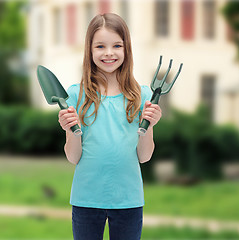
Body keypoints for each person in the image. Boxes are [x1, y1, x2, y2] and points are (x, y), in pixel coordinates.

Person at [58, 13, 162, 240]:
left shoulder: (142, 96)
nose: (108, 53)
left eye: (117, 45)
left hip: (128, 200)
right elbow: (73, 157)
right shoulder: (75, 95)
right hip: (86, 199)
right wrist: (70, 129)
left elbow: (144, 156)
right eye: (100, 46)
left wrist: (150, 123)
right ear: (90, 50)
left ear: (127, 50)